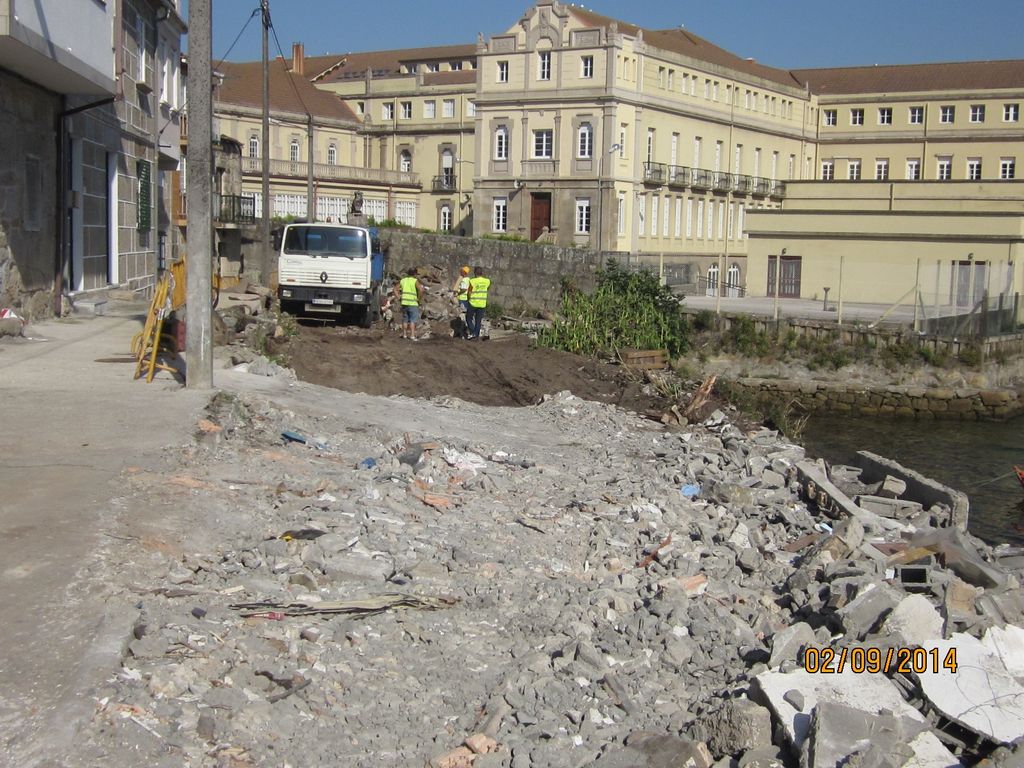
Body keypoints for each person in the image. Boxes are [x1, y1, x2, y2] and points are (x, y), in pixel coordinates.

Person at [394, 267, 424, 340]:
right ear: (415, 274)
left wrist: (399, 297)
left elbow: (395, 289)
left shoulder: (403, 280)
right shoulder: (415, 281)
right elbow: (421, 290)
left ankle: (404, 335)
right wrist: (418, 299)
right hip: (413, 303)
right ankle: (412, 335)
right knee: (413, 320)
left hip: (404, 303)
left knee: (405, 319)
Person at [466, 266, 491, 340]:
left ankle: (473, 332)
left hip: (473, 303)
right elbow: (487, 288)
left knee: (468, 318)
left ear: (475, 273)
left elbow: (469, 292)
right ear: (482, 273)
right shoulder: (487, 281)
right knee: (478, 321)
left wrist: (469, 299)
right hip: (482, 304)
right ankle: (475, 334)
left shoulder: (472, 281)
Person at [451, 265, 471, 338]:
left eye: (461, 271)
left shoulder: (465, 280)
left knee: (462, 315)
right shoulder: (466, 279)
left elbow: (464, 289)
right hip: (463, 299)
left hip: (463, 299)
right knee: (462, 314)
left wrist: (457, 293)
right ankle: (462, 330)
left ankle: (462, 332)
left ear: (464, 272)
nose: (460, 272)